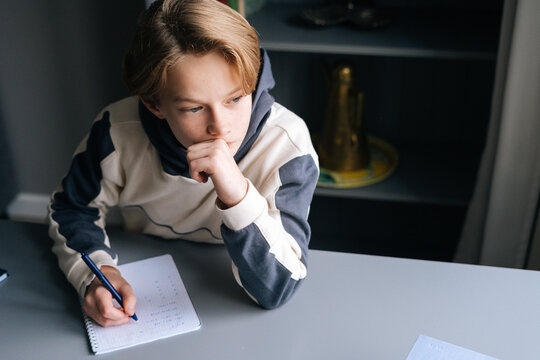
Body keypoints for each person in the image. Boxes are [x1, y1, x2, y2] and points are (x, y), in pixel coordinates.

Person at [48, 0, 319, 328]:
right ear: (155, 105)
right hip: (145, 273)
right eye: (193, 108)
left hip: (228, 301)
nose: (221, 127)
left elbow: (278, 288)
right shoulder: (115, 132)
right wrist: (95, 276)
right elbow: (72, 208)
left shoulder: (287, 145)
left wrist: (237, 195)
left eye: (235, 98)